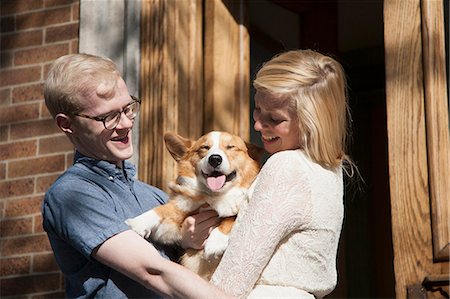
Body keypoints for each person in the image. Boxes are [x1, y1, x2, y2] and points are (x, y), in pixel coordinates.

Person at [42, 53, 230, 298]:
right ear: (67, 124)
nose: (126, 124)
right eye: (108, 117)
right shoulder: (72, 194)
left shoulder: (153, 195)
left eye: (128, 108)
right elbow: (152, 271)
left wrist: (182, 239)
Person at [210, 49, 355, 298]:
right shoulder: (329, 170)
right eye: (257, 109)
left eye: (274, 119)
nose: (257, 125)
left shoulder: (286, 166)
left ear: (311, 122)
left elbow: (232, 279)